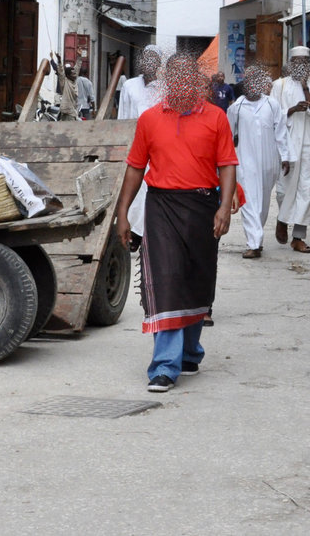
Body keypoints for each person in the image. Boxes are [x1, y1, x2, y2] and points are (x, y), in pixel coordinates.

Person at [114, 53, 238, 393]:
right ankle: (165, 366)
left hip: (202, 206)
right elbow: (136, 168)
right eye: (176, 76)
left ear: (198, 80)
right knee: (166, 280)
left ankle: (189, 352)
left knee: (197, 280)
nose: (182, 82)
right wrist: (123, 212)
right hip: (162, 207)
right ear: (166, 81)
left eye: (188, 76)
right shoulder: (150, 119)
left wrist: (224, 207)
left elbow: (227, 164)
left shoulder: (216, 118)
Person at [227, 67, 291, 259]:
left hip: (269, 161)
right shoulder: (236, 108)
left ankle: (257, 237)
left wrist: (285, 156)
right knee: (249, 200)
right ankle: (253, 243)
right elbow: (228, 135)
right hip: (245, 161)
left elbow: (281, 132)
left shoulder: (272, 105)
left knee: (262, 202)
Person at [271, 46, 310, 253]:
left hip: (309, 144)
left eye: (306, 61)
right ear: (291, 63)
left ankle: (298, 237)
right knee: (285, 190)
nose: (302, 65)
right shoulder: (279, 85)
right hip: (287, 143)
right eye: (298, 61)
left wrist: (305, 89)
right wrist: (292, 109)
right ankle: (282, 220)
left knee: (307, 189)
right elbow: (274, 116)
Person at [118, 45, 164, 250]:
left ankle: (147, 234)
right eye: (147, 58)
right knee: (133, 190)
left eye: (154, 59)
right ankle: (133, 234)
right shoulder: (129, 85)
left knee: (150, 190)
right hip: (134, 145)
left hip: (156, 146)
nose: (150, 63)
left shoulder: (165, 89)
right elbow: (123, 117)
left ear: (159, 64)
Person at [49, 51, 79, 121]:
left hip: (71, 111)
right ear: (67, 75)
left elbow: (77, 68)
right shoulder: (65, 82)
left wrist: (79, 57)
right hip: (67, 112)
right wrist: (58, 60)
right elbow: (60, 71)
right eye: (73, 74)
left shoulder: (74, 82)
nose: (75, 75)